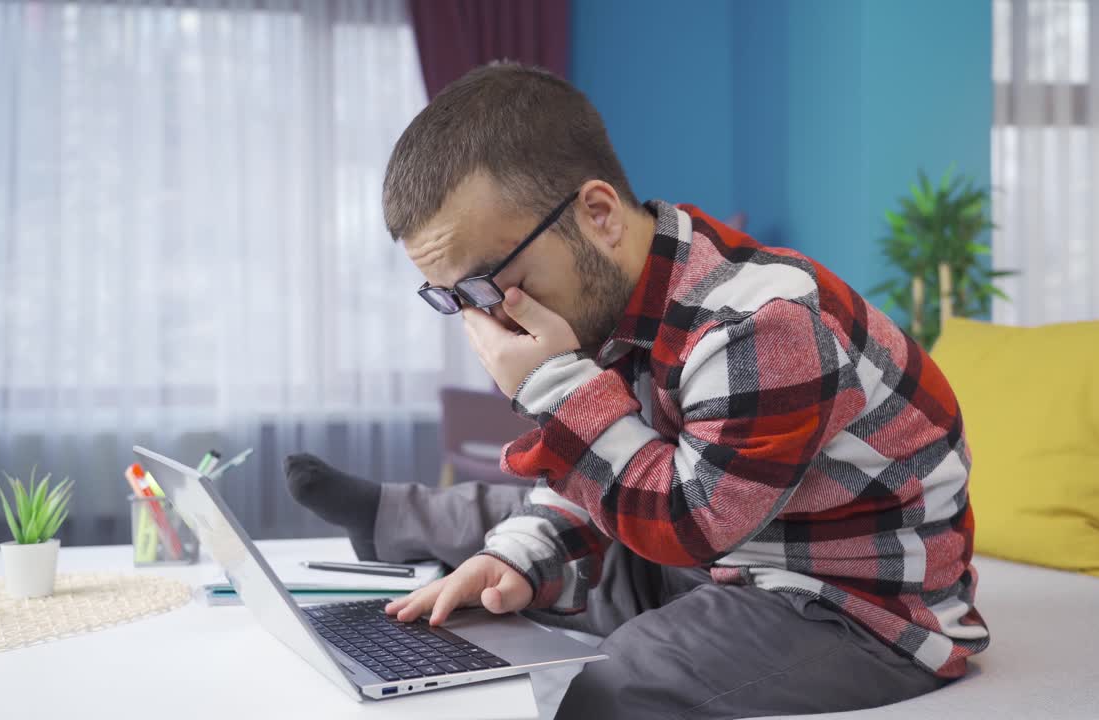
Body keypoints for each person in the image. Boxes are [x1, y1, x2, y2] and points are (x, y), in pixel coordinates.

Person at [286, 62, 988, 719]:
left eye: (488, 283)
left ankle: (410, 523)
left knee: (607, 685)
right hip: (714, 560)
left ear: (598, 214)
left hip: (849, 606)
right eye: (453, 299)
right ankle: (397, 519)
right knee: (513, 567)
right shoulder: (612, 300)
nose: (486, 320)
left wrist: (552, 385)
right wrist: (511, 561)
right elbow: (592, 474)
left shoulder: (761, 327)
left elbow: (683, 524)